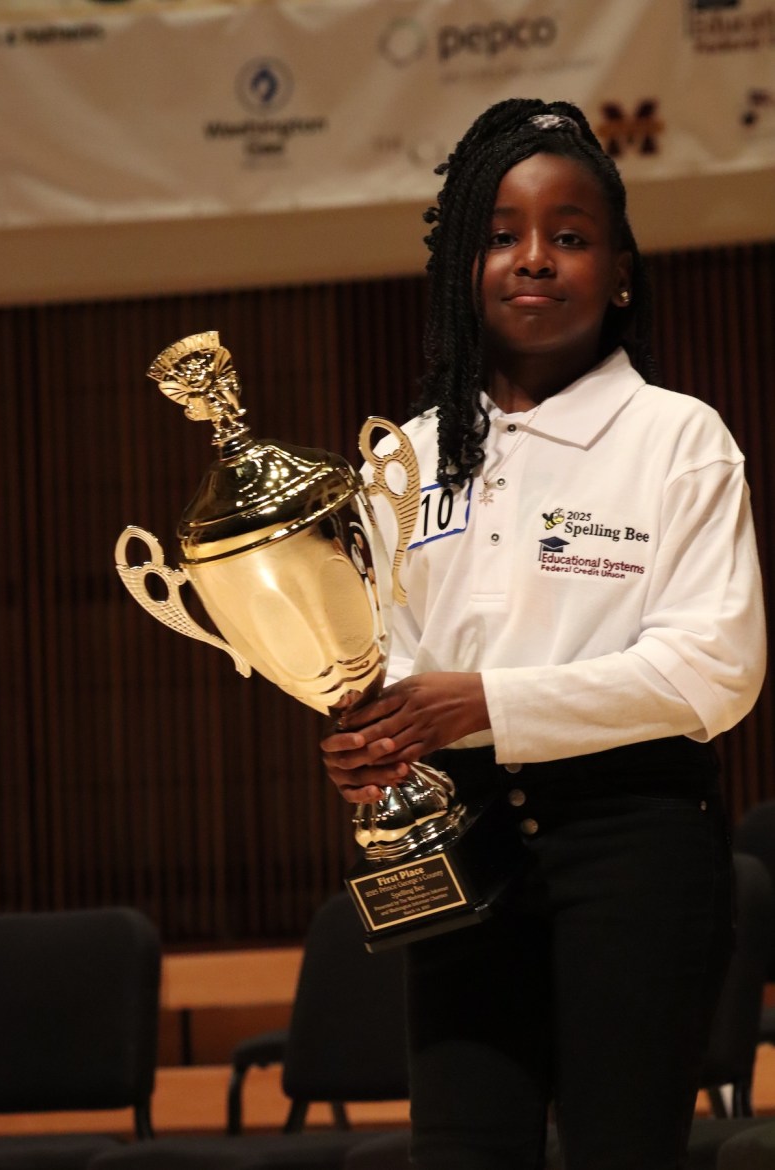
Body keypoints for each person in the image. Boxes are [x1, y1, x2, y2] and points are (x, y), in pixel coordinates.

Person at [321, 97, 766, 1170]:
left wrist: (481, 702)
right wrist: (372, 742)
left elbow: (713, 671)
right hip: (459, 843)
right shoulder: (404, 459)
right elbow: (390, 659)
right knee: (462, 1149)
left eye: (568, 236)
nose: (532, 258)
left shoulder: (677, 437)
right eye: (500, 235)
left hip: (636, 843)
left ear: (620, 274)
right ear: (460, 271)